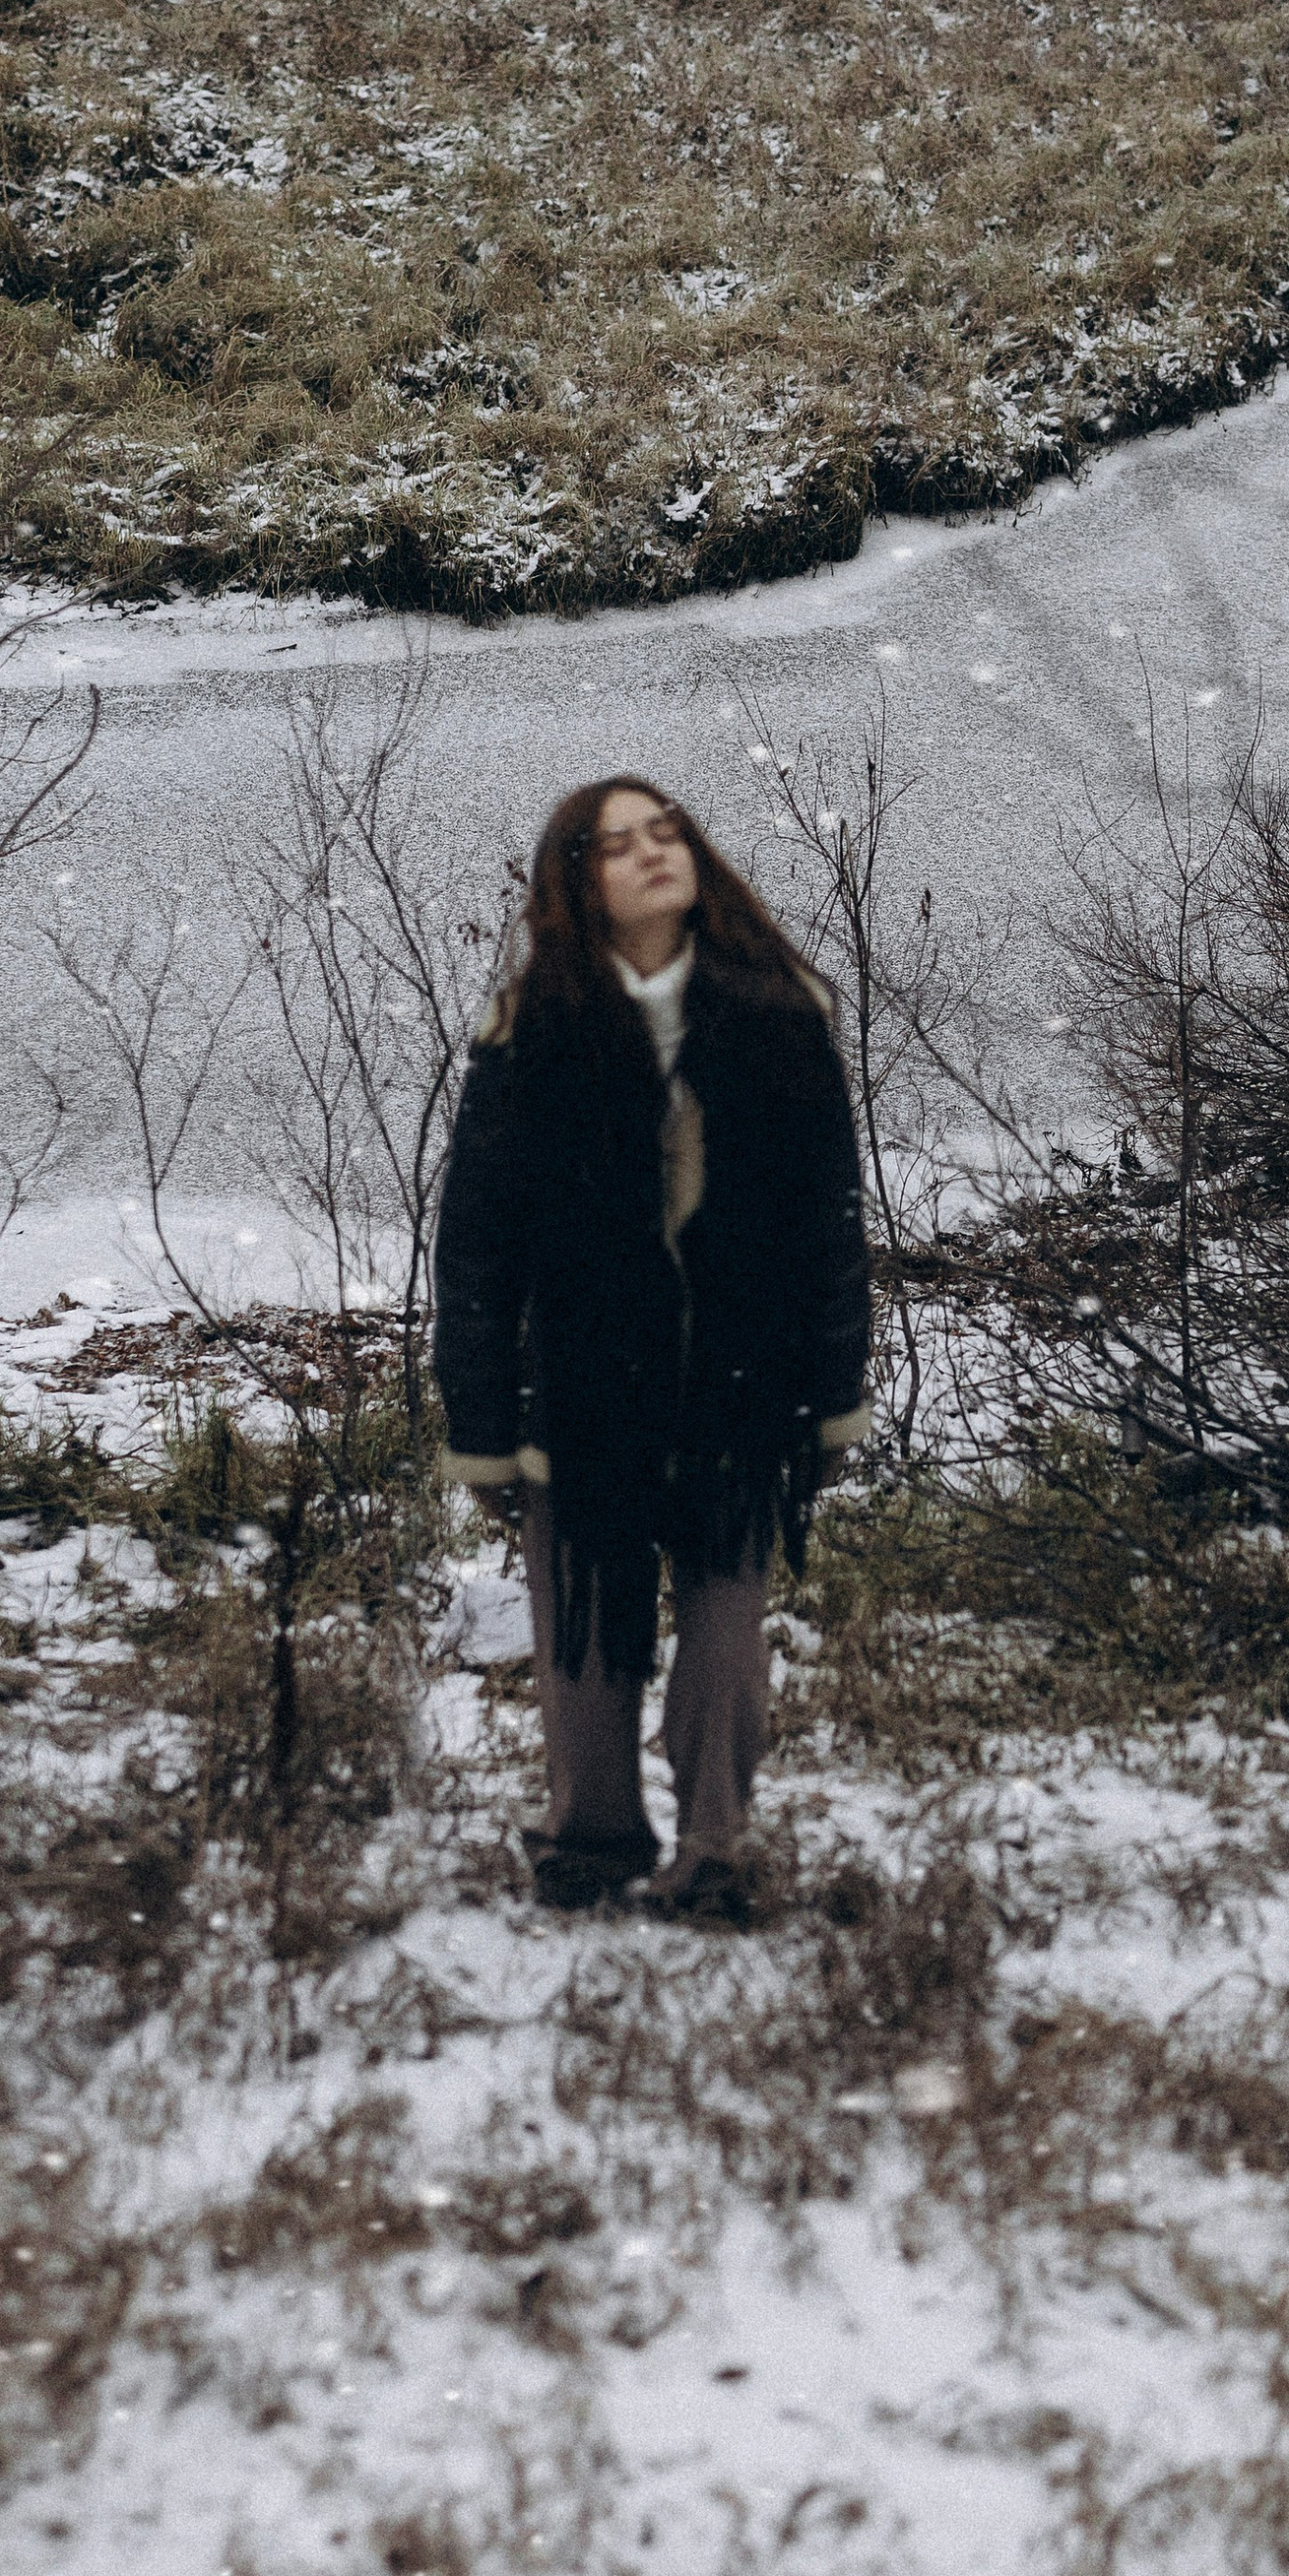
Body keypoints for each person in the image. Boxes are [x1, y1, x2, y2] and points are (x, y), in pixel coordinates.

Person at [432, 778, 870, 1918]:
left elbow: (828, 1220)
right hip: (582, 1387)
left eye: (665, 833)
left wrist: (833, 1397)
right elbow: (478, 1242)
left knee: (725, 1629)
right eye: (617, 846)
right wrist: (481, 1426)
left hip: (742, 1382)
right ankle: (592, 1839)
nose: (650, 856)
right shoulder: (534, 1030)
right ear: (575, 884)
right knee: (581, 1627)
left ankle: (716, 1849)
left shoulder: (779, 1012)